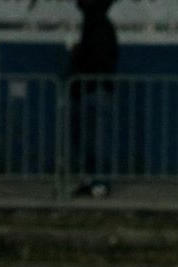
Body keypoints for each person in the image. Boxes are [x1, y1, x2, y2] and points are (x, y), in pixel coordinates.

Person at [69, 0, 118, 197]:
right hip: (90, 89)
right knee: (88, 139)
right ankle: (92, 180)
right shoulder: (98, 27)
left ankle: (98, 182)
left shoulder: (98, 28)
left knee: (95, 139)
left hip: (93, 89)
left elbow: (98, 59)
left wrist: (78, 58)